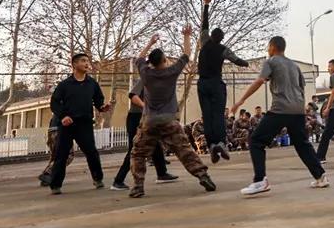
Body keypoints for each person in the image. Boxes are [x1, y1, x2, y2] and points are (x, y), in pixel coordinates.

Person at [230, 36, 327, 196]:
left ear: (272, 47)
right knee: (302, 144)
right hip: (297, 109)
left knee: (256, 140)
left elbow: (260, 80)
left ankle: (260, 181)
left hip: (281, 108)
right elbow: (301, 88)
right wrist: (301, 108)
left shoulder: (271, 61)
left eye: (268, 48)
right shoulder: (294, 66)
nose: (267, 51)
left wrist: (241, 100)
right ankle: (320, 176)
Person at [129, 26, 216, 198]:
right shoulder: (171, 72)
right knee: (184, 150)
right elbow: (186, 55)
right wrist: (186, 36)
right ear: (164, 60)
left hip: (150, 121)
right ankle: (202, 175)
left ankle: (138, 186)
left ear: (151, 62)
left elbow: (139, 58)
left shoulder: (145, 73)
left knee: (138, 153)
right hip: (169, 120)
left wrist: (150, 42)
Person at [47, 53, 114, 195]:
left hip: (85, 123)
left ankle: (98, 179)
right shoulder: (65, 85)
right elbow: (54, 103)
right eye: (83, 61)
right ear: (74, 64)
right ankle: (55, 185)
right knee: (61, 154)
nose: (86, 63)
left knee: (91, 152)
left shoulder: (92, 84)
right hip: (66, 124)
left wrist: (103, 108)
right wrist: (63, 116)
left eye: (87, 61)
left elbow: (98, 101)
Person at [112, 51, 179, 190]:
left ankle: (162, 174)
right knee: (135, 149)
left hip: (148, 117)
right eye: (165, 61)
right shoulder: (146, 78)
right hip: (137, 117)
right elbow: (133, 96)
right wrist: (146, 107)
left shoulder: (157, 78)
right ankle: (118, 181)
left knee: (155, 144)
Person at [197, 0, 250, 164]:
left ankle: (212, 144)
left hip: (202, 84)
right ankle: (220, 142)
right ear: (222, 38)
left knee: (207, 114)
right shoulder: (223, 49)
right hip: (215, 83)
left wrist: (206, 5)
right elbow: (237, 60)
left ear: (211, 35)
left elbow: (204, 23)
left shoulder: (204, 41)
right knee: (218, 114)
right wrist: (246, 63)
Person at [38, 113, 73, 187]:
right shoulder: (71, 103)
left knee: (55, 156)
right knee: (68, 155)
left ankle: (48, 177)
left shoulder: (59, 105)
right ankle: (48, 173)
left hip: (52, 129)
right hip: (60, 129)